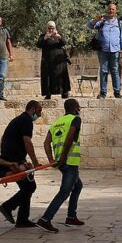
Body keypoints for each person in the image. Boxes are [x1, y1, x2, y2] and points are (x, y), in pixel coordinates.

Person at [37, 98, 84, 233]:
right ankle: (45, 219)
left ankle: (71, 217)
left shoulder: (56, 123)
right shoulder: (75, 119)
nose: (79, 110)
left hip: (61, 162)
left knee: (78, 185)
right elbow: (70, 137)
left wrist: (52, 159)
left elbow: (46, 143)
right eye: (78, 107)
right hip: (69, 161)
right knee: (64, 192)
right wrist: (63, 157)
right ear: (75, 107)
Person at [0, 100, 42, 228]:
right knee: (30, 187)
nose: (40, 115)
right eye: (39, 111)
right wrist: (35, 162)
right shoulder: (26, 121)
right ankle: (7, 206)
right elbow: (27, 142)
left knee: (27, 186)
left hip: (12, 157)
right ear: (32, 109)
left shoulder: (20, 120)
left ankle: (22, 219)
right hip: (14, 160)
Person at [87, 3, 122, 98]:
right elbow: (89, 25)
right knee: (104, 71)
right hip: (103, 50)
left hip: (115, 50)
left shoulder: (119, 23)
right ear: (107, 10)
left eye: (113, 9)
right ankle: (103, 93)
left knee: (115, 71)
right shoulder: (102, 21)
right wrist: (97, 19)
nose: (111, 11)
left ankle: (117, 92)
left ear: (115, 11)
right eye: (109, 9)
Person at [36, 21, 71, 99]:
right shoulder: (43, 36)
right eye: (49, 28)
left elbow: (64, 43)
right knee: (48, 77)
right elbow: (38, 44)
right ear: (47, 28)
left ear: (55, 28)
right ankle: (48, 94)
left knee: (61, 76)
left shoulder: (58, 35)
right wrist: (45, 38)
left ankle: (64, 93)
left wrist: (59, 37)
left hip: (59, 61)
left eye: (52, 28)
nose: (51, 30)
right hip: (47, 61)